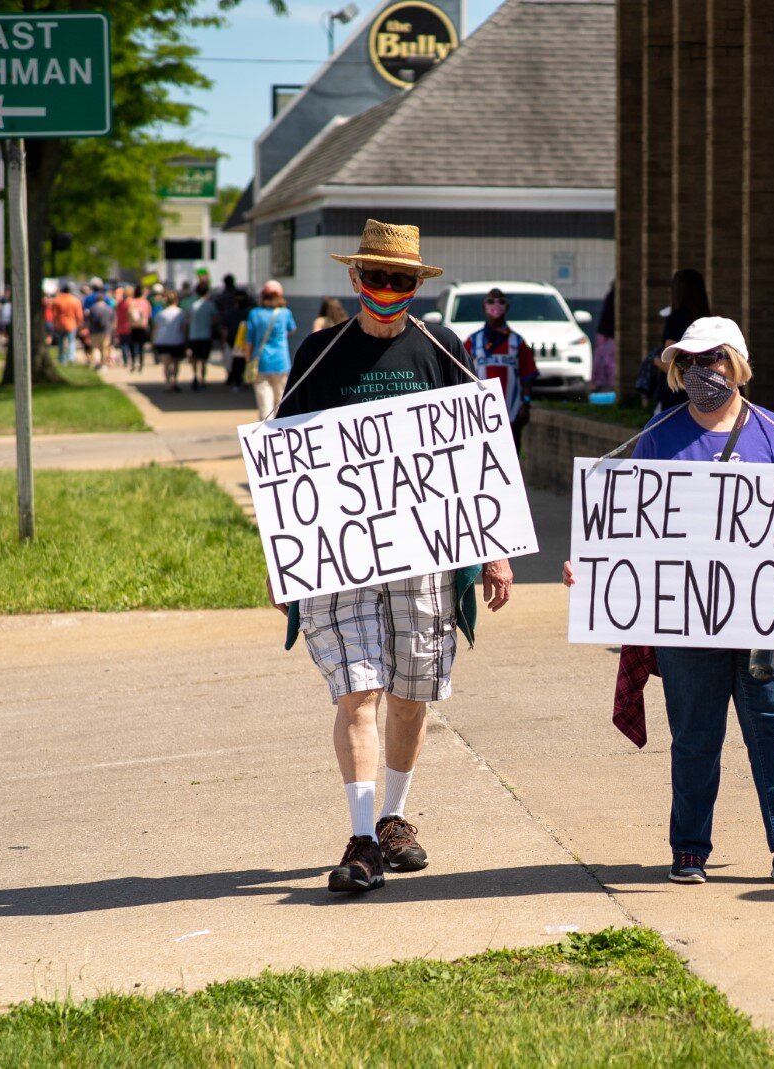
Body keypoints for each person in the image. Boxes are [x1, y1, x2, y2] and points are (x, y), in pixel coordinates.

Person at [562, 316, 774, 886]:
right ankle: (690, 847)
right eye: (690, 362)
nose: (702, 371)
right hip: (685, 621)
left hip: (764, 622)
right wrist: (593, 567)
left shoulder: (773, 432)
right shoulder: (658, 435)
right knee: (696, 735)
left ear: (737, 364)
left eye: (714, 359)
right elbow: (627, 528)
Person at [272, 218, 513, 894]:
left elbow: (478, 456)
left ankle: (394, 819)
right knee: (358, 690)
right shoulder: (318, 353)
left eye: (399, 280)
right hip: (340, 558)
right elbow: (284, 460)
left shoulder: (441, 348)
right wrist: (280, 556)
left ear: (416, 285)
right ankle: (358, 835)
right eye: (374, 277)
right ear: (354, 278)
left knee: (411, 695)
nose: (385, 289)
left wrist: (493, 552)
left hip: (426, 559)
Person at [462, 287, 538, 450]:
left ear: (507, 307)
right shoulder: (473, 341)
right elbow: (460, 374)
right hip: (480, 413)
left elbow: (527, 375)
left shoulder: (517, 342)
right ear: (484, 307)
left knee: (511, 455)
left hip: (512, 411)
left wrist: (526, 403)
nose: (496, 305)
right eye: (490, 301)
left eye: (501, 301)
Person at [652, 268, 710, 410]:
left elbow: (669, 364)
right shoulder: (708, 321)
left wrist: (655, 361)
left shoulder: (676, 319)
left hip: (676, 396)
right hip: (704, 395)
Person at [245, 281, 298, 418]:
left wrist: (248, 359)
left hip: (260, 361)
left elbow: (249, 340)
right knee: (281, 400)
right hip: (281, 362)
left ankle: (266, 433)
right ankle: (280, 433)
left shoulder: (254, 313)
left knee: (264, 403)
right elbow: (292, 329)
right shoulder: (285, 313)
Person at [215, 274, 252, 388]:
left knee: (234, 359)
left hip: (232, 335)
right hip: (245, 337)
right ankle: (243, 379)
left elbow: (223, 323)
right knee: (244, 360)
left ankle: (234, 378)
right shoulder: (248, 309)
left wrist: (223, 340)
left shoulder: (222, 297)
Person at [151, 291, 190, 392]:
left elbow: (156, 329)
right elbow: (184, 329)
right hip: (177, 340)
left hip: (163, 341)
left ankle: (168, 383)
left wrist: (153, 341)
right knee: (176, 363)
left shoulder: (161, 314)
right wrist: (186, 340)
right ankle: (174, 381)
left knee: (166, 365)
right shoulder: (181, 313)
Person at [187, 279, 220, 390]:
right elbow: (215, 319)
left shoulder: (192, 305)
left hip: (194, 335)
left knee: (195, 358)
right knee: (203, 360)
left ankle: (195, 376)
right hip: (205, 335)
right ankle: (203, 379)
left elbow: (188, 319)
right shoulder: (210, 305)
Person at [51, 283, 84, 366]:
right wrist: (80, 323)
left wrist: (54, 323)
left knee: (61, 342)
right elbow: (79, 314)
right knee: (71, 341)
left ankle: (62, 358)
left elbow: (54, 314)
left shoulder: (57, 300)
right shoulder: (74, 300)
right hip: (71, 323)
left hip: (60, 323)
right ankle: (71, 357)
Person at [121, 286, 152, 372]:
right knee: (141, 346)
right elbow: (149, 315)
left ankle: (134, 362)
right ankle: (141, 364)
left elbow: (129, 314)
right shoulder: (146, 302)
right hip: (143, 327)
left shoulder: (133, 302)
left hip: (133, 327)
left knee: (132, 345)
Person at [592, 281, 616, 391]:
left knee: (602, 360)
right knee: (608, 361)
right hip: (608, 334)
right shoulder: (613, 297)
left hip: (604, 333)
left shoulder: (610, 296)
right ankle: (608, 384)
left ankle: (599, 384)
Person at [85, 285, 115, 368]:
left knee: (95, 348)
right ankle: (103, 364)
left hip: (94, 331)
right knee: (104, 348)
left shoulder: (92, 308)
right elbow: (113, 320)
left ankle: (97, 364)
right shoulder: (109, 308)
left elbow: (89, 321)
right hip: (106, 331)